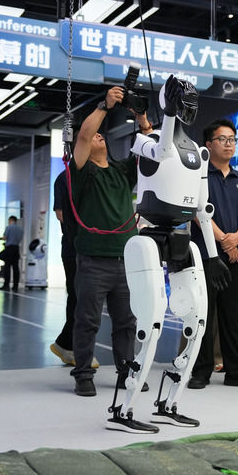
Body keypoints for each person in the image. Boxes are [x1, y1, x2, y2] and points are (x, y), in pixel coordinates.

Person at [68, 86, 147, 397]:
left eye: (102, 134)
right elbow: (84, 136)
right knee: (87, 321)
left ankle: (126, 372)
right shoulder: (82, 172)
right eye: (95, 135)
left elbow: (147, 149)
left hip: (125, 260)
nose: (98, 135)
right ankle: (83, 375)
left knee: (126, 322)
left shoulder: (122, 171)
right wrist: (104, 105)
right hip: (93, 260)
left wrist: (141, 118)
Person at [188, 118, 238, 390]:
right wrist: (223, 239)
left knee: (233, 317)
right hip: (206, 258)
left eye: (232, 139)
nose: (229, 144)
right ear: (208, 144)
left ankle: (236, 371)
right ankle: (201, 370)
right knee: (204, 316)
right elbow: (198, 212)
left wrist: (237, 239)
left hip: (235, 259)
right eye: (223, 139)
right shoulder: (198, 176)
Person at [49, 169, 105, 369]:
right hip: (74, 248)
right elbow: (60, 214)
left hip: (95, 248)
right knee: (78, 297)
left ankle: (66, 344)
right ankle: (75, 349)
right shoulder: (64, 178)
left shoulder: (97, 175)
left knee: (85, 299)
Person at [0, 216, 24, 291]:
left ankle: (6, 285)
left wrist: (1, 238)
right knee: (15, 267)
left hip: (9, 248)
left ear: (11, 220)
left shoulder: (8, 227)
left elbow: (5, 237)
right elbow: (20, 239)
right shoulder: (20, 229)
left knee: (7, 267)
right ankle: (15, 286)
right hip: (16, 248)